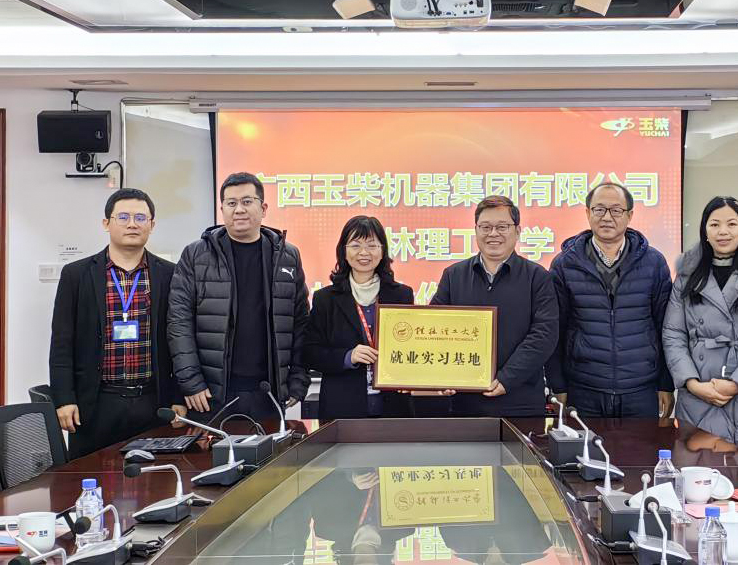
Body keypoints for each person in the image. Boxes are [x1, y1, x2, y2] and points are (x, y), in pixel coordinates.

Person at [49, 189, 185, 458]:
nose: (132, 224)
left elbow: (181, 340)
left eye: (140, 218)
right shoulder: (76, 275)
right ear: (106, 223)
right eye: (123, 217)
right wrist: (64, 399)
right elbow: (62, 342)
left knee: (154, 477)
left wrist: (178, 397)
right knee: (89, 476)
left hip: (153, 403)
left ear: (152, 225)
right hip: (95, 403)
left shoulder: (170, 274)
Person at [168, 172, 310, 422]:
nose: (239, 210)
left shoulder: (287, 256)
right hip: (211, 394)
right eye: (231, 203)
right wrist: (191, 381)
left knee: (269, 449)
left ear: (263, 208)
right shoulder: (195, 255)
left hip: (268, 392)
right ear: (222, 209)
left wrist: (298, 379)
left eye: (247, 201)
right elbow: (179, 322)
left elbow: (300, 322)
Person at [661, 196, 738, 455]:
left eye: (731, 224)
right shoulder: (687, 274)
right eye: (715, 224)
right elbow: (673, 334)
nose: (723, 232)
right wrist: (692, 383)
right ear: (705, 230)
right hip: (698, 396)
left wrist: (736, 383)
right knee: (698, 473)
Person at [547, 182, 675, 418]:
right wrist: (558, 385)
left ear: (629, 215)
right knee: (584, 445)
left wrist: (666, 384)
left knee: (642, 444)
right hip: (584, 389)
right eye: (599, 209)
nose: (607, 217)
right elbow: (555, 330)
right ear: (588, 213)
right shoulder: (564, 264)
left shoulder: (654, 263)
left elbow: (666, 327)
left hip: (641, 389)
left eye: (616, 210)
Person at [430, 195, 558, 417]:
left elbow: (544, 335)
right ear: (476, 230)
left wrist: (507, 378)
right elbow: (434, 329)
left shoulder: (537, 277)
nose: (493, 234)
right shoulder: (454, 275)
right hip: (465, 403)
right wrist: (441, 376)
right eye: (486, 227)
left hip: (521, 401)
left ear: (517, 231)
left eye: (502, 227)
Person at [304, 216, 414, 419]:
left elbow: (412, 347)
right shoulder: (326, 299)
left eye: (372, 245)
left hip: (393, 407)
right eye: (356, 245)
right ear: (344, 251)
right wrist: (348, 357)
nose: (364, 252)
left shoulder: (402, 295)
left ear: (382, 251)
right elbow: (310, 352)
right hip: (343, 408)